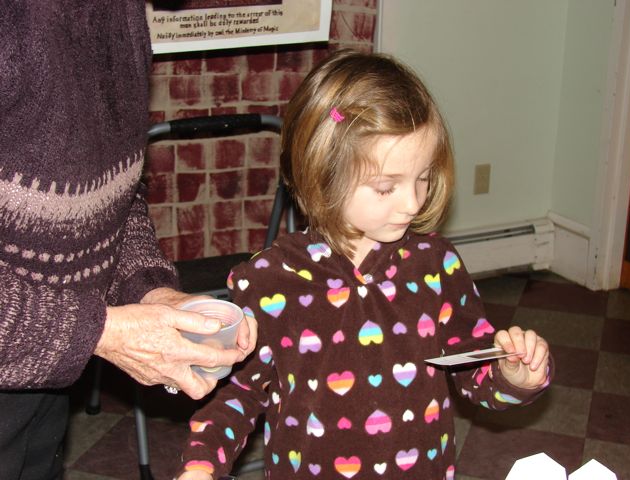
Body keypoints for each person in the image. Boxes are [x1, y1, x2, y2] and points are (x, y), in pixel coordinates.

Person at [176, 49, 552, 480]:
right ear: (322, 176)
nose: (413, 203)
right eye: (386, 187)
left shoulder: (436, 265)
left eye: (423, 177)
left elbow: (473, 369)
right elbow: (236, 394)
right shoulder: (269, 282)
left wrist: (513, 377)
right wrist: (200, 466)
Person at [0, 2, 257, 479]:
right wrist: (101, 332)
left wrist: (150, 290)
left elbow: (111, 194)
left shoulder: (122, 14)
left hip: (45, 366)